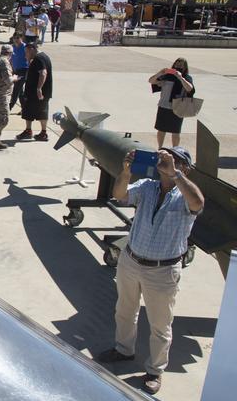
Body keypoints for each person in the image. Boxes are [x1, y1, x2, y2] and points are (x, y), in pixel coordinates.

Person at [97, 147, 204, 395]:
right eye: (164, 158)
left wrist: (175, 174)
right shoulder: (147, 186)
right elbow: (120, 195)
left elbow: (198, 203)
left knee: (160, 324)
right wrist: (125, 172)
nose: (166, 162)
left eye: (175, 160)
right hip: (131, 261)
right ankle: (124, 350)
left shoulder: (185, 194)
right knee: (125, 310)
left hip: (162, 271)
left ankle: (155, 371)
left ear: (185, 168)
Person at [149, 58, 194, 148]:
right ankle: (160, 147)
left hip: (178, 107)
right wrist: (160, 73)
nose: (179, 66)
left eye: (181, 64)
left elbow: (190, 89)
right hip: (164, 105)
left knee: (176, 132)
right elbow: (151, 81)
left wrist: (180, 77)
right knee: (161, 130)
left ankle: (175, 149)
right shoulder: (167, 76)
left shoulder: (187, 77)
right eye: (177, 63)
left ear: (185, 67)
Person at [16, 43, 52, 141]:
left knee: (28, 111)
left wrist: (38, 88)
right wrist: (29, 60)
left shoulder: (38, 59)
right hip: (44, 92)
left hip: (35, 92)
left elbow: (43, 73)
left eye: (26, 52)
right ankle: (43, 133)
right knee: (43, 111)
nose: (25, 54)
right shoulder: (44, 56)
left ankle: (28, 131)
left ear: (32, 49)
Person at [9, 34, 29, 112]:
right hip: (15, 71)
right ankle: (24, 109)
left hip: (24, 70)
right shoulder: (12, 47)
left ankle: (9, 108)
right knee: (20, 91)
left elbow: (29, 59)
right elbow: (10, 59)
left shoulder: (25, 47)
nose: (16, 39)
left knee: (16, 90)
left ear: (21, 38)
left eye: (18, 38)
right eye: (14, 38)